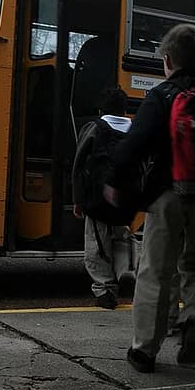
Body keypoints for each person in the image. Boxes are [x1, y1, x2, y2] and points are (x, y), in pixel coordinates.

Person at [104, 23, 195, 373]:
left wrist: (114, 181)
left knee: (156, 272)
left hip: (168, 195)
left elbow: (134, 144)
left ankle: (144, 350)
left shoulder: (162, 95)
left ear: (168, 59)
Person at [72, 87, 140, 310]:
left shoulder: (94, 128)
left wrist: (78, 200)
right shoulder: (135, 130)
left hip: (97, 200)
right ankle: (126, 270)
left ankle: (104, 289)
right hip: (126, 200)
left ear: (102, 109)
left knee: (97, 243)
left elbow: (79, 165)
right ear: (124, 109)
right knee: (122, 237)